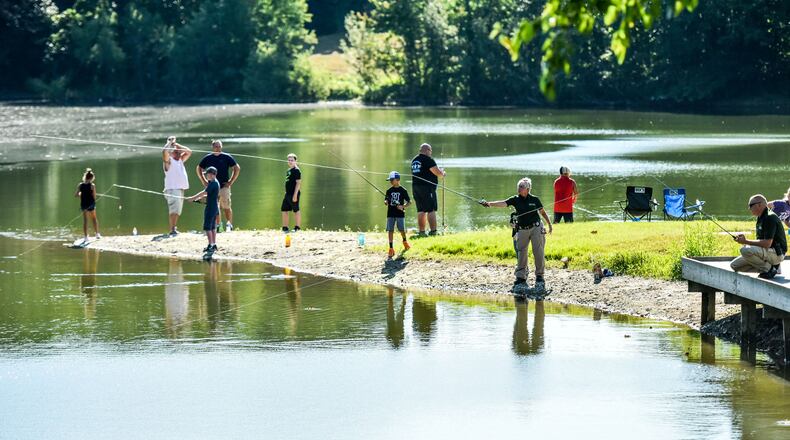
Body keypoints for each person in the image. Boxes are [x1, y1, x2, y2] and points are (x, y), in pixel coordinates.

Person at [482, 177, 553, 290]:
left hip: (536, 228)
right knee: (521, 252)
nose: (519, 189)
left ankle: (540, 276)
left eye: (521, 187)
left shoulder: (535, 199)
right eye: (518, 186)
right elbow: (503, 203)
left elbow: (543, 213)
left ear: (528, 189)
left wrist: (549, 224)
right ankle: (521, 277)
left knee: (538, 252)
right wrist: (489, 204)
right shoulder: (515, 199)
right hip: (522, 229)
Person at [731, 194, 786, 279]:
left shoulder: (770, 217)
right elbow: (760, 241)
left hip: (777, 253)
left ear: (759, 204)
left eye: (751, 205)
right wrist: (746, 242)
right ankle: (772, 267)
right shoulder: (760, 218)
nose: (749, 208)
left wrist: (746, 241)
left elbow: (767, 243)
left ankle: (769, 269)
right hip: (767, 252)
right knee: (735, 265)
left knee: (745, 250)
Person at [197, 140, 240, 232]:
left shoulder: (226, 157)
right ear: (213, 147)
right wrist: (203, 180)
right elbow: (199, 168)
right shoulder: (208, 158)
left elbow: (236, 168)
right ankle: (218, 226)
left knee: (226, 206)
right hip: (212, 187)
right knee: (215, 207)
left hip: (224, 186)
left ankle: (229, 225)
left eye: (219, 146)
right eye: (216, 146)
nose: (218, 148)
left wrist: (230, 182)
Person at [410, 143, 446, 237]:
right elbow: (437, 173)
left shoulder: (415, 160)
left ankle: (422, 232)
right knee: (431, 209)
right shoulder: (428, 159)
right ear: (427, 150)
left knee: (421, 210)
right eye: (430, 151)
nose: (431, 153)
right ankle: (433, 232)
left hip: (416, 188)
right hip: (427, 188)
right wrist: (443, 173)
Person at [162, 136, 192, 235]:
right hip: (172, 189)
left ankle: (174, 228)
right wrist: (170, 143)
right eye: (176, 151)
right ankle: (172, 229)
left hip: (179, 189)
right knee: (174, 210)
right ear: (171, 153)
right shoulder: (169, 161)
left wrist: (177, 145)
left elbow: (189, 152)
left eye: (179, 151)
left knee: (178, 211)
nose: (179, 152)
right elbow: (164, 152)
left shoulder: (180, 160)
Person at [188, 166, 220, 256]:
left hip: (210, 208)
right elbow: (207, 194)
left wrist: (192, 198)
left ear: (212, 175)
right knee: (213, 227)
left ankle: (210, 245)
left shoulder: (213, 183)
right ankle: (213, 244)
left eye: (207, 175)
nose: (206, 176)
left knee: (207, 227)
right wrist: (196, 199)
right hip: (214, 208)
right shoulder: (214, 182)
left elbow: (204, 192)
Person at [384, 171, 411, 257]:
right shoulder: (389, 191)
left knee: (402, 230)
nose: (391, 181)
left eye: (392, 180)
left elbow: (409, 202)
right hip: (390, 214)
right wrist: (386, 202)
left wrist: (403, 206)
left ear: (398, 180)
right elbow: (386, 200)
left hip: (400, 214)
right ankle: (391, 248)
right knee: (390, 230)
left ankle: (404, 241)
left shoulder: (403, 190)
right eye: (390, 180)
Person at [74, 168, 100, 242]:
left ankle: (86, 237)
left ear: (85, 177)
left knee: (85, 220)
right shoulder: (92, 185)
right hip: (91, 204)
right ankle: (97, 234)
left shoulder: (80, 185)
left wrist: (80, 194)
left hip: (84, 205)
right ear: (91, 178)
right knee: (94, 219)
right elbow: (94, 197)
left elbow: (76, 195)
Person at [281, 153, 302, 233]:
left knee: (296, 210)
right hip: (288, 194)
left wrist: (295, 195)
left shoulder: (297, 170)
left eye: (292, 160)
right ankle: (285, 227)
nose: (290, 161)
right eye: (289, 160)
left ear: (295, 161)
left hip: (294, 194)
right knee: (284, 209)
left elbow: (298, 183)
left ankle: (297, 227)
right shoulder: (289, 170)